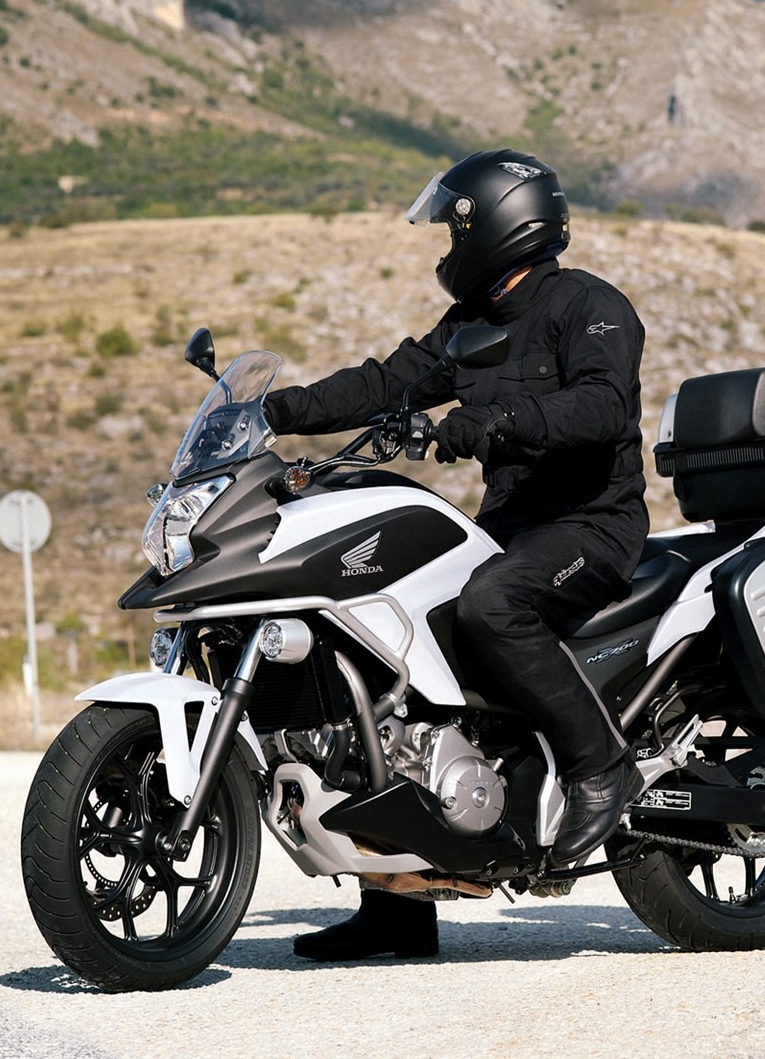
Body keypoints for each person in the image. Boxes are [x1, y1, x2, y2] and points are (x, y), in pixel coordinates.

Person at [263, 149, 649, 961]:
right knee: (385, 644)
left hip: (590, 526)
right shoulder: (469, 325)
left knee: (490, 604)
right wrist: (278, 410)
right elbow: (384, 384)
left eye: (455, 229)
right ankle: (398, 906)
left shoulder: (589, 306)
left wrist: (498, 420)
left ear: (499, 225)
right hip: (509, 529)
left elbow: (603, 407)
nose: (448, 245)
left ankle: (601, 767)